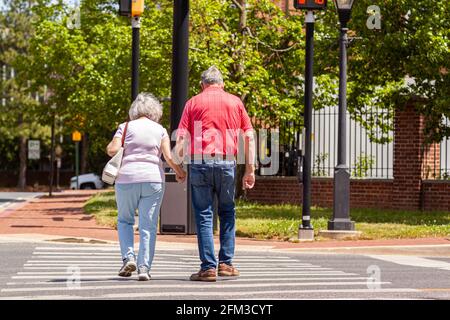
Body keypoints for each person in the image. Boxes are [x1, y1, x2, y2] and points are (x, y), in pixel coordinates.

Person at [175, 66, 256, 282]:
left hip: (199, 163)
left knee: (204, 215)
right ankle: (226, 264)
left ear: (202, 85)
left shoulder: (193, 102)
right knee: (227, 212)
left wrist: (178, 166)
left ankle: (208, 268)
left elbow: (181, 138)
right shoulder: (235, 102)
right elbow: (249, 136)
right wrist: (250, 169)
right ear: (222, 84)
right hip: (227, 162)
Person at [106, 93, 186, 281]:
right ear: (155, 111)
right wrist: (179, 171)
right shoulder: (160, 130)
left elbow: (111, 150)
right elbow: (168, 156)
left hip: (126, 179)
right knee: (148, 225)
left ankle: (128, 258)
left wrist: (119, 143)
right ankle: (144, 268)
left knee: (125, 220)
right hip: (153, 180)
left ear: (135, 110)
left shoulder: (124, 127)